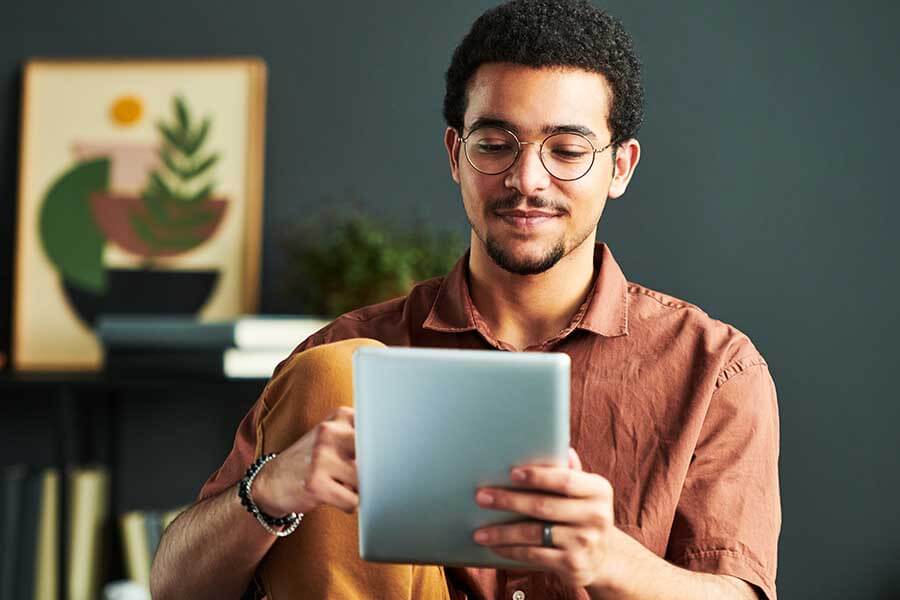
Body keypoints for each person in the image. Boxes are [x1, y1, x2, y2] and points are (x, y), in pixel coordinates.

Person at [151, 1, 780, 599]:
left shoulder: (714, 369)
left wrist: (609, 559)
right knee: (335, 374)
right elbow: (174, 588)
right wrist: (270, 491)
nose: (527, 179)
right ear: (457, 155)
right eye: (495, 144)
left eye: (566, 151)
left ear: (620, 168)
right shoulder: (343, 357)